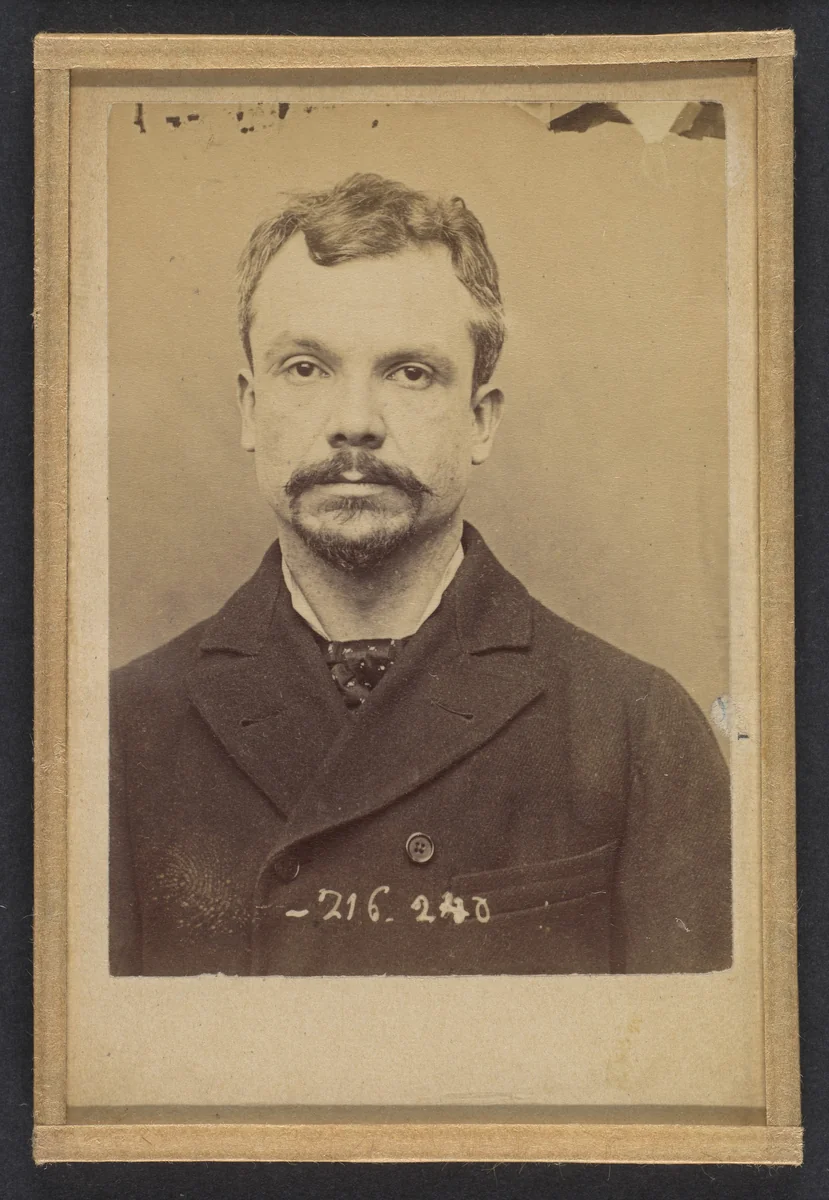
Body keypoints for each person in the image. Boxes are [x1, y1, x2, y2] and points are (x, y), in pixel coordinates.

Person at [110, 172, 731, 977]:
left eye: (410, 373)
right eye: (305, 368)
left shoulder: (638, 729)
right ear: (247, 409)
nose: (355, 423)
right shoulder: (118, 732)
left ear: (480, 420)